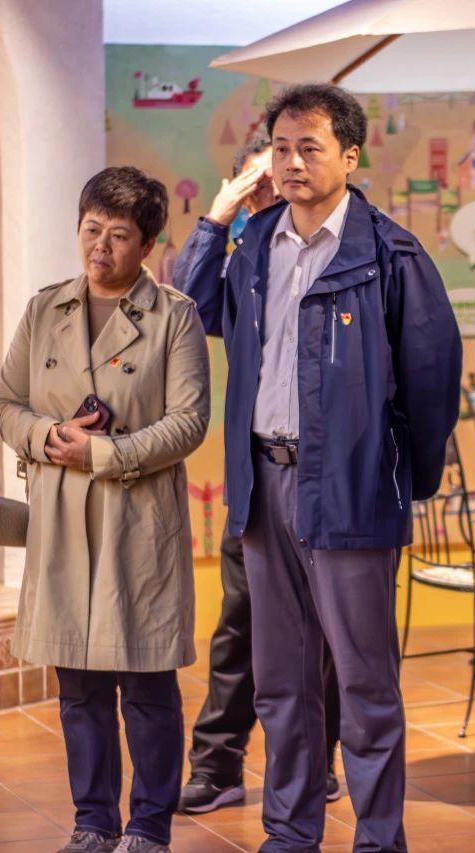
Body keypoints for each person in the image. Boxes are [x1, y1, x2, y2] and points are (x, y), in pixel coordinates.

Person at [218, 83, 461, 851]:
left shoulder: (390, 253)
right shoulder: (254, 246)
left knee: (364, 683)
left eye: (309, 148)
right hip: (264, 483)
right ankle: (290, 831)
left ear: (350, 156)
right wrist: (219, 215)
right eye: (280, 149)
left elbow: (431, 377)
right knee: (281, 682)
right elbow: (199, 311)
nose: (291, 163)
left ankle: (379, 838)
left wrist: (397, 478)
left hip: (352, 489)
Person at [0, 166, 211, 853]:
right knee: (78, 686)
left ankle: (148, 826)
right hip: (60, 522)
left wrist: (105, 454)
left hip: (137, 524)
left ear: (147, 244)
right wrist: (46, 435)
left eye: (118, 235)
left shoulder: (175, 315)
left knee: (147, 686)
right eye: (92, 230)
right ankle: (92, 821)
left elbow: (189, 423)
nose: (101, 247)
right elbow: (4, 404)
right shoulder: (45, 310)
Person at [172, 132, 343, 814]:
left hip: (329, 478)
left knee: (327, 629)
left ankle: (314, 764)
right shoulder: (247, 259)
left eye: (278, 178)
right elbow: (185, 307)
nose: (270, 193)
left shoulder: (344, 248)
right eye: (257, 183)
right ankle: (217, 765)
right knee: (240, 625)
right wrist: (217, 217)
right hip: (257, 476)